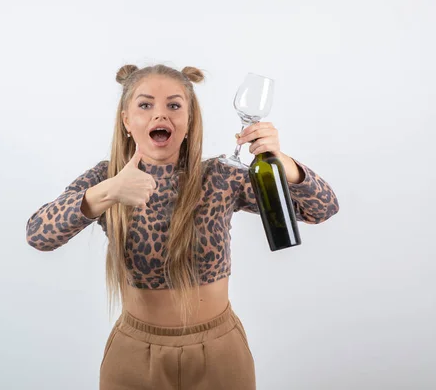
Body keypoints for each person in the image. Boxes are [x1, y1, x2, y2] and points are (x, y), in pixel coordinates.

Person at [26, 64, 339, 390]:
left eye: (174, 105)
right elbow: (38, 236)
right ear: (126, 121)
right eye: (145, 105)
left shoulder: (220, 176)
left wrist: (281, 161)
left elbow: (322, 209)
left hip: (219, 352)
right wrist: (110, 191)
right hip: (132, 353)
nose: (160, 115)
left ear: (189, 122)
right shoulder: (107, 178)